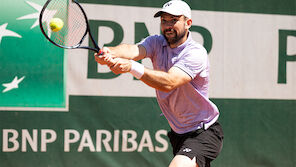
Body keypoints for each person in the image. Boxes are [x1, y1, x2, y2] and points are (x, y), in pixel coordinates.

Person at [94, 0, 224, 166]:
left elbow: (169, 82)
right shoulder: (156, 42)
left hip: (203, 132)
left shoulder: (196, 53)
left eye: (173, 20)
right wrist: (109, 52)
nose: (168, 25)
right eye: (164, 21)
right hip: (178, 134)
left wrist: (132, 67)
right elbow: (133, 50)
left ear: (188, 23)